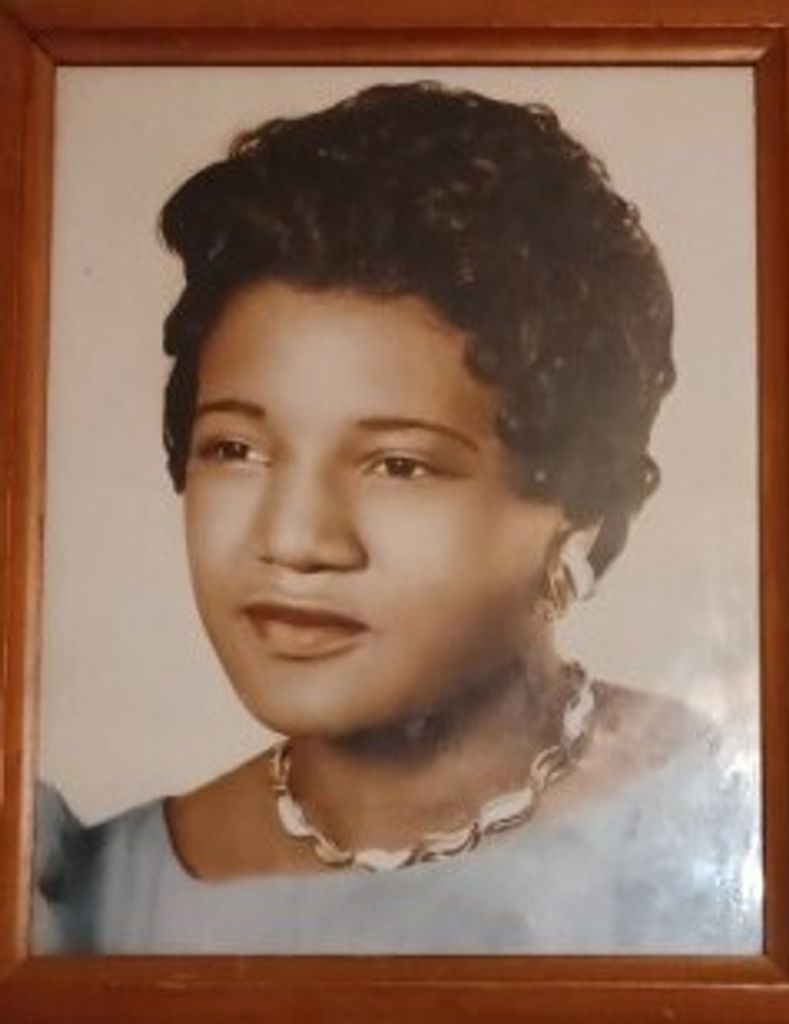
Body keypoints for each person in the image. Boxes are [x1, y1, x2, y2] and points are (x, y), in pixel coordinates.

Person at [33, 80, 758, 954]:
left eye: (398, 465)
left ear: (579, 517)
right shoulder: (83, 905)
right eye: (236, 449)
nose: (293, 541)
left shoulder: (726, 828)